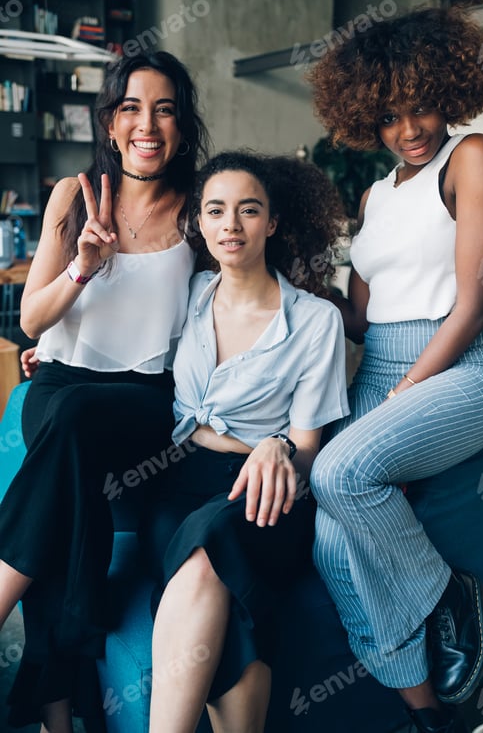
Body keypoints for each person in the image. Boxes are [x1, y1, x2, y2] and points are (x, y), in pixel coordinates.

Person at [0, 50, 210, 731]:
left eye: (165, 108)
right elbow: (33, 319)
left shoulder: (198, 212)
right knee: (72, 469)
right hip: (59, 387)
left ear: (181, 126)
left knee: (78, 426)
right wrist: (84, 270)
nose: (148, 124)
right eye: (131, 108)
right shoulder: (73, 194)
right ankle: (58, 709)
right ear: (111, 124)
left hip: (140, 400)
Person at [306, 5, 483, 733]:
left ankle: (447, 597)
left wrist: (407, 389)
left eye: (420, 106)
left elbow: (473, 304)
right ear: (366, 119)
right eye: (389, 116)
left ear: (449, 92)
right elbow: (359, 319)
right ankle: (423, 715)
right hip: (379, 372)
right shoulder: (373, 198)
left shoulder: (472, 156)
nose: (410, 128)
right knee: (331, 540)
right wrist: (297, 288)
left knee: (338, 474)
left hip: (463, 367)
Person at [137, 150, 350, 733]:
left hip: (270, 493)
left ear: (272, 223)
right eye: (216, 210)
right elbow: (122, 345)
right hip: (180, 479)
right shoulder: (189, 293)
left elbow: (305, 450)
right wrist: (55, 354)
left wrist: (275, 446)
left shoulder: (314, 321)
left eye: (248, 210)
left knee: (213, 546)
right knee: (221, 587)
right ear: (200, 224)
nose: (231, 224)